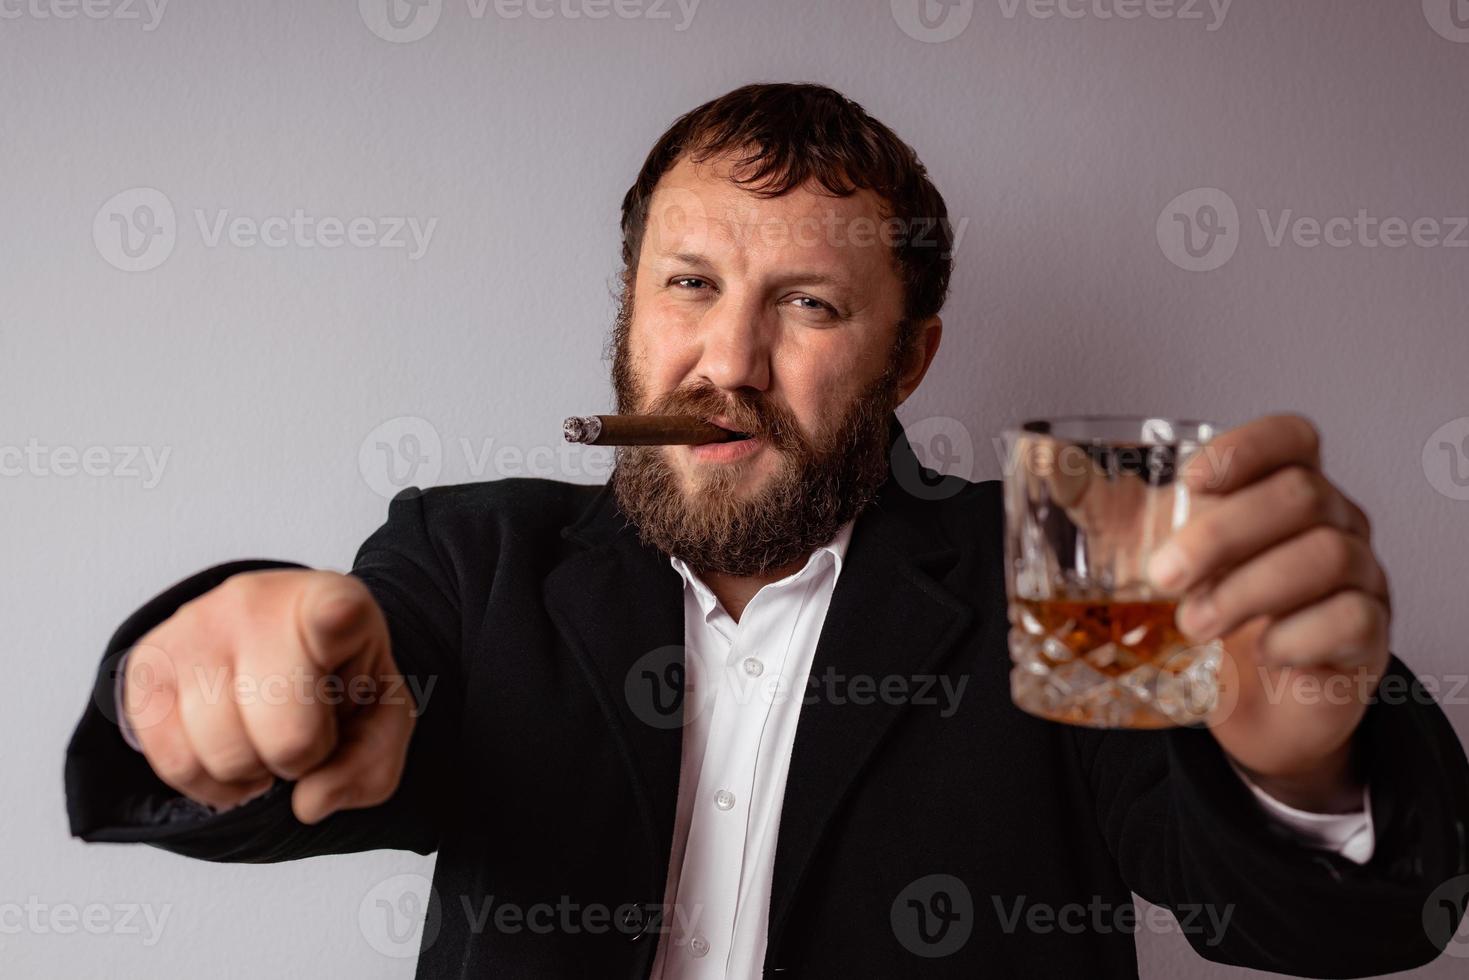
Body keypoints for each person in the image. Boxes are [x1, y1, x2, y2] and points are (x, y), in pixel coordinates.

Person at [65, 82, 1469, 979]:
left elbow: (1332, 926)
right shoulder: (467, 558)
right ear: (628, 313)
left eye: (805, 305)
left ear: (908, 360)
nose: (722, 361)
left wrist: (1305, 767)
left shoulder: (1074, 556)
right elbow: (309, 706)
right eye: (687, 284)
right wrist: (189, 685)